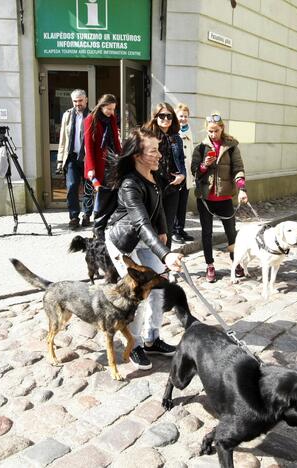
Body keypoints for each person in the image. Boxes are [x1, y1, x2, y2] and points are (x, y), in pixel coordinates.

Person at [104, 127, 184, 370]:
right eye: (153, 151)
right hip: (124, 242)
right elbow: (139, 223)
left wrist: (163, 230)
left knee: (159, 288)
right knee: (136, 295)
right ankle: (135, 344)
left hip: (147, 238)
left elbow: (157, 204)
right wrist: (166, 253)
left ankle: (151, 338)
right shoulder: (129, 184)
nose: (159, 155)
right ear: (137, 155)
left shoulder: (152, 174)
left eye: (158, 150)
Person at [191, 112, 247, 283]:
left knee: (231, 233)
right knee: (206, 233)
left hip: (224, 199)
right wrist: (203, 166)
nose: (213, 134)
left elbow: (238, 168)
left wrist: (242, 189)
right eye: (210, 131)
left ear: (222, 128)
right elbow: (194, 171)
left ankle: (235, 262)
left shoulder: (231, 147)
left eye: (216, 130)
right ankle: (209, 265)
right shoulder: (200, 148)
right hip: (206, 199)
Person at [142, 103, 186, 249]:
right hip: (153, 186)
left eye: (169, 116)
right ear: (155, 117)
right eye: (162, 115)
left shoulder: (176, 138)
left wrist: (182, 176)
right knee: (152, 226)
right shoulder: (148, 136)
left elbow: (180, 161)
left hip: (172, 187)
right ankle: (152, 263)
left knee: (167, 227)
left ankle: (165, 264)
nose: (165, 119)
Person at [84, 94, 122, 239]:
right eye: (109, 109)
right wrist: (91, 168)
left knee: (114, 193)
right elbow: (88, 146)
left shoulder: (112, 119)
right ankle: (98, 227)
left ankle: (105, 224)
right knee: (103, 194)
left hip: (113, 161)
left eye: (113, 109)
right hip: (99, 163)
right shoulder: (90, 119)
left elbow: (115, 141)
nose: (111, 112)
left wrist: (121, 156)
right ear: (102, 105)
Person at [56, 89, 91, 229]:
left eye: (80, 101)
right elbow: (63, 139)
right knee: (71, 187)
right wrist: (60, 159)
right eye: (75, 101)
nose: (78, 104)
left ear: (86, 100)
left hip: (88, 159)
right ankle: (74, 217)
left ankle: (87, 215)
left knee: (88, 188)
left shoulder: (93, 115)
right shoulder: (67, 115)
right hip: (71, 157)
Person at [172, 103, 195, 243]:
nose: (183, 119)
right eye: (181, 116)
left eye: (186, 116)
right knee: (175, 203)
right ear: (176, 116)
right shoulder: (174, 131)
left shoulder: (188, 130)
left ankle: (180, 228)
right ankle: (174, 230)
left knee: (183, 203)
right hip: (177, 173)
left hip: (187, 173)